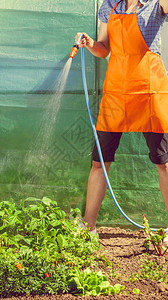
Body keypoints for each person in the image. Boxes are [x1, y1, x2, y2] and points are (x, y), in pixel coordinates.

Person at [75, 0, 168, 238]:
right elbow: (104, 49)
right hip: (117, 91)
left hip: (149, 89)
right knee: (99, 162)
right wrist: (90, 43)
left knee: (164, 163)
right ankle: (89, 228)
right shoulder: (109, 6)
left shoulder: (156, 4)